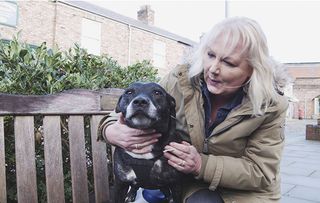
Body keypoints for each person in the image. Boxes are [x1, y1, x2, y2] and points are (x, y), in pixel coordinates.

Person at [98, 16, 289, 203]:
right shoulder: (181, 80)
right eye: (211, 55)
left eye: (228, 63)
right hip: (194, 185)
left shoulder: (270, 105)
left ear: (252, 70)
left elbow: (261, 172)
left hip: (246, 193)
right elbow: (125, 111)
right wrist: (110, 130)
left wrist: (200, 164)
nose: (213, 68)